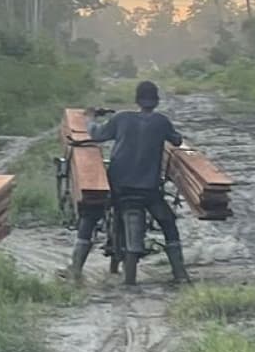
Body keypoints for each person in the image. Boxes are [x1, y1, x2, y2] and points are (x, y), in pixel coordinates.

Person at [68, 80, 190, 286]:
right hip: (148, 190)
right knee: (168, 223)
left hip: (118, 186)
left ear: (136, 100)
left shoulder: (121, 118)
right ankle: (180, 274)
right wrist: (172, 135)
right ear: (156, 101)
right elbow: (177, 141)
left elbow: (97, 135)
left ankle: (76, 270)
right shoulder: (161, 121)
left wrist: (89, 119)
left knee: (90, 216)